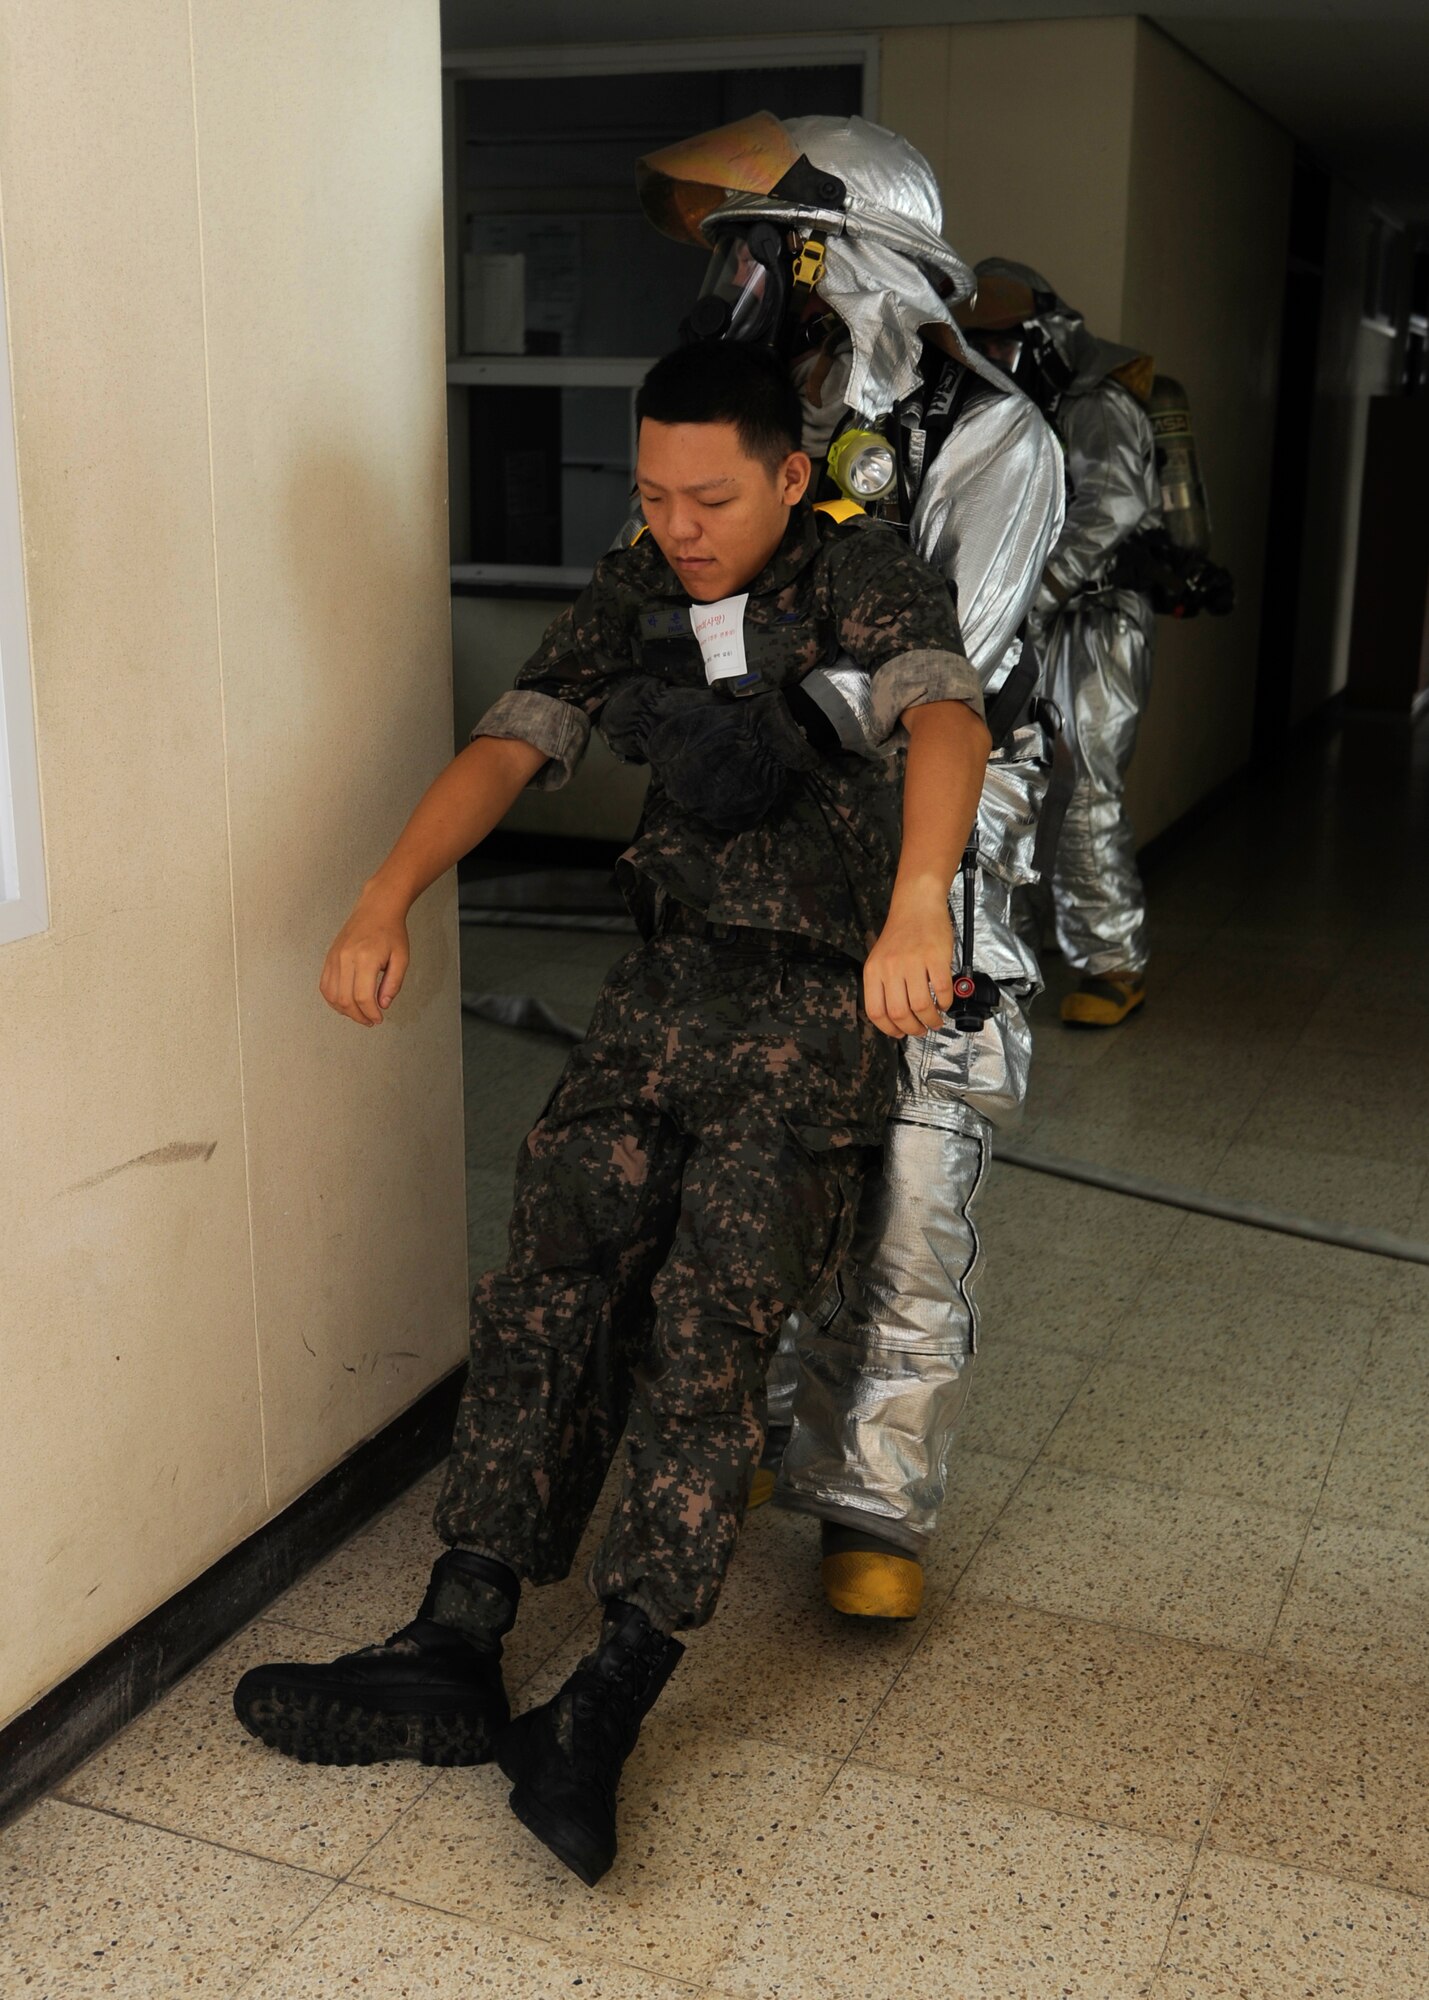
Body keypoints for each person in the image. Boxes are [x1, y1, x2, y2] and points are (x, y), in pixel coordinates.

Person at [232, 340, 992, 1886]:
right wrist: (386, 895)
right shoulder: (636, 583)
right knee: (547, 1292)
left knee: (711, 1335)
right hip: (660, 992)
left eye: (711, 496)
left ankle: (608, 1698)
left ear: (792, 474)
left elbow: (946, 725)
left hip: (809, 1009)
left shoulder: (867, 578)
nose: (680, 524)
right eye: (652, 492)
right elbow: (515, 738)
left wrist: (921, 904)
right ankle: (455, 1639)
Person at [636, 113, 1067, 1617]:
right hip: (771, 844)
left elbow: (960, 662)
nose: (737, 281)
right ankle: (749, 1427)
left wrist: (784, 713)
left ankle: (872, 1505)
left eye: (754, 245)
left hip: (930, 837)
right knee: (750, 1153)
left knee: (912, 1178)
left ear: (839, 255)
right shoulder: (773, 414)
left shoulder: (991, 434)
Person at [961, 260, 1162, 1028]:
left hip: (1094, 620)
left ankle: (1112, 964)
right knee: (1014, 782)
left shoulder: (1099, 401)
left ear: (1042, 336)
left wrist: (1030, 596)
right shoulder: (1005, 400)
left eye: (1003, 345)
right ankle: (1021, 948)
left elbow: (1108, 508)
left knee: (1082, 792)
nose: (992, 361)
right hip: (1024, 619)